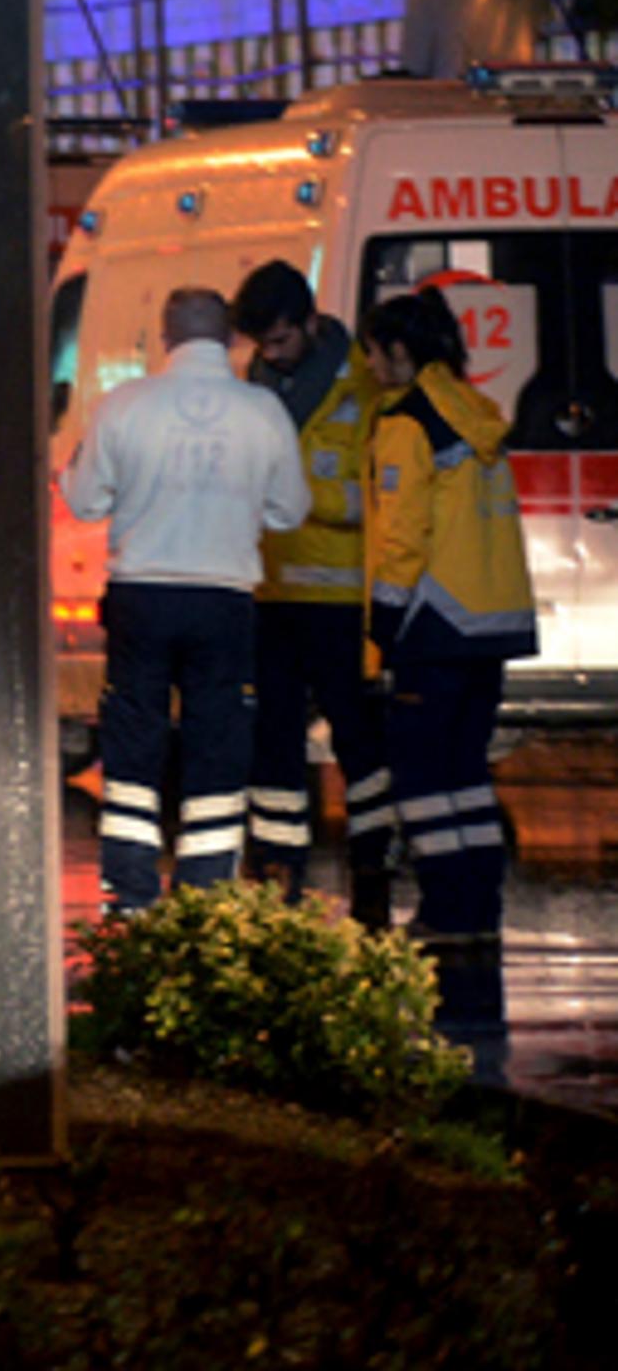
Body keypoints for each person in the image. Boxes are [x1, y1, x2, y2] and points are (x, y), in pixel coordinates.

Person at [60, 287, 307, 912]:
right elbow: (290, 510)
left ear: (165, 340)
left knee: (135, 736)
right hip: (225, 597)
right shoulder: (263, 411)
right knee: (218, 740)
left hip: (142, 593)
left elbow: (85, 501)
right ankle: (205, 887)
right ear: (228, 340)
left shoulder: (123, 406)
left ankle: (133, 886)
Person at [362, 288, 535, 1050]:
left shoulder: (406, 424)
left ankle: (441, 907)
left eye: (375, 350)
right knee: (465, 772)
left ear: (400, 352)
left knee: (424, 779)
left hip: (433, 625)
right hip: (491, 621)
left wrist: (380, 625)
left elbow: (402, 535)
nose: (369, 365)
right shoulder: (473, 411)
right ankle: (476, 904)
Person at [230, 260, 385, 913]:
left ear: (310, 323)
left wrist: (295, 496)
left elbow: (377, 493)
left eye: (280, 341)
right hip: (270, 596)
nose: (269, 355)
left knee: (357, 738)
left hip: (340, 601)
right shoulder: (253, 386)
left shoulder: (362, 387)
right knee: (273, 742)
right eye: (260, 344)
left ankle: (374, 860)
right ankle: (276, 865)